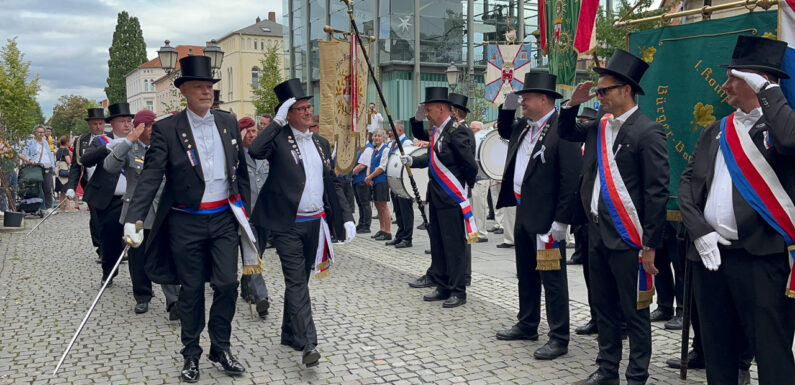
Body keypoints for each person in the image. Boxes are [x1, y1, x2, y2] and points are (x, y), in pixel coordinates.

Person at [123, 56, 252, 382]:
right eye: (199, 87)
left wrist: (247, 215)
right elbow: (151, 177)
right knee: (191, 290)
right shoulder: (167, 129)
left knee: (227, 283)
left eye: (209, 86)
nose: (207, 92)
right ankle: (191, 354)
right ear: (184, 92)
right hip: (186, 221)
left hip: (223, 217)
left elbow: (241, 173)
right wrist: (134, 219)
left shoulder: (227, 122)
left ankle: (220, 347)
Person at [678, 35, 795, 385]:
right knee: (718, 353)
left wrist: (769, 92)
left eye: (734, 78)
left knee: (772, 355)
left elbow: (790, 142)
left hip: (761, 261)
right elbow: (687, 185)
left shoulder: (780, 128)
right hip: (711, 257)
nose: (725, 85)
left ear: (757, 81)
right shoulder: (715, 130)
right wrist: (701, 233)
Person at [562, 49, 669, 385]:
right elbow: (566, 132)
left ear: (626, 90)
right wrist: (572, 104)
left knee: (635, 312)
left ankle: (636, 374)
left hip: (629, 238)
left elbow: (656, 192)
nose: (599, 96)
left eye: (604, 90)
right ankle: (606, 370)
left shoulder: (648, 131)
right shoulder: (598, 125)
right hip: (596, 233)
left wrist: (650, 243)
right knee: (603, 308)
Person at [248, 78, 355, 367]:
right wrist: (277, 123)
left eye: (309, 107)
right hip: (287, 225)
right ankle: (309, 343)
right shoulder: (279, 139)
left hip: (315, 225)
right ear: (288, 113)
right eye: (301, 108)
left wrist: (346, 217)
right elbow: (255, 150)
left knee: (301, 282)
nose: (309, 112)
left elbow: (332, 182)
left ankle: (288, 333)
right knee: (296, 282)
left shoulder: (320, 143)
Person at [493, 72, 581, 360]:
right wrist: (505, 106)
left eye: (526, 99)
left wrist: (561, 222)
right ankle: (528, 323)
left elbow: (570, 179)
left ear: (544, 99)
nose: (522, 104)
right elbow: (504, 131)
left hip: (547, 219)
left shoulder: (563, 129)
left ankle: (559, 337)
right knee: (526, 274)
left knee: (553, 279)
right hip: (524, 211)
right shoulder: (523, 126)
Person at [401, 87, 478, 308]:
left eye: (428, 109)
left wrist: (463, 189)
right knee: (439, 243)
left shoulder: (457, 131)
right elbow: (432, 157)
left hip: (451, 196)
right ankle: (443, 285)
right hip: (436, 196)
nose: (426, 114)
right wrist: (413, 162)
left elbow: (469, 165)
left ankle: (458, 290)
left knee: (454, 245)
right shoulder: (439, 132)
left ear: (441, 108)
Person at [102, 109, 180, 318]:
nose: (156, 131)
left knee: (167, 253)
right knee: (138, 257)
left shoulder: (165, 146)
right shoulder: (130, 148)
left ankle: (173, 300)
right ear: (141, 128)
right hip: (138, 211)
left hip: (164, 209)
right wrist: (128, 140)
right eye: (151, 127)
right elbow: (109, 166)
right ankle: (143, 296)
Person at [81, 102, 135, 286]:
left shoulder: (138, 141)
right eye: (123, 121)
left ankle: (142, 285)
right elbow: (86, 160)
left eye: (129, 121)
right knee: (110, 240)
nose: (127, 125)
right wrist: (109, 148)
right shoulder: (102, 141)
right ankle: (109, 272)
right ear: (112, 123)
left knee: (137, 242)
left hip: (133, 199)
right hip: (110, 199)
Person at [238, 116, 271, 318]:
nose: (252, 135)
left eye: (254, 131)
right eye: (247, 132)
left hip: (264, 214)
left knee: (260, 252)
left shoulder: (264, 153)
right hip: (245, 215)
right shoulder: (235, 156)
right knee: (252, 254)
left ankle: (247, 288)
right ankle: (261, 297)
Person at [66, 108, 107, 264]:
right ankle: (101, 249)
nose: (98, 127)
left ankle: (112, 248)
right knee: (96, 219)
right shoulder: (81, 141)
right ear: (89, 124)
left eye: (101, 123)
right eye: (95, 124)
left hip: (110, 185)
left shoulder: (110, 138)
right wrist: (71, 186)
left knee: (111, 219)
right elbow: (76, 166)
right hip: (91, 184)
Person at [386, 121, 414, 248]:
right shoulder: (393, 143)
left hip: (403, 180)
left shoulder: (406, 143)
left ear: (400, 131)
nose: (389, 132)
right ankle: (400, 234)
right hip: (395, 179)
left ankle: (407, 237)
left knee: (405, 209)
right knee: (398, 209)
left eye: (392, 130)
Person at [19, 124, 56, 214]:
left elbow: (49, 154)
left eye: (42, 132)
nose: (41, 134)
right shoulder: (30, 142)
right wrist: (29, 160)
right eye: (39, 132)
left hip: (47, 167)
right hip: (37, 167)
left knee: (48, 187)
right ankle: (38, 207)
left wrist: (52, 166)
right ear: (35, 133)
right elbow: (23, 153)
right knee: (37, 188)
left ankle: (48, 207)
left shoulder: (46, 142)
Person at [366, 129, 392, 241]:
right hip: (374, 180)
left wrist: (370, 176)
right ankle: (382, 229)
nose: (377, 138)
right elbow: (371, 165)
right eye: (375, 136)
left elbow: (382, 167)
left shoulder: (385, 150)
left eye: (379, 136)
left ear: (383, 138)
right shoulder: (375, 150)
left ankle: (388, 231)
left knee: (383, 205)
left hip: (381, 180)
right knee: (377, 205)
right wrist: (369, 177)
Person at [470, 120, 491, 243]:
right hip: (473, 178)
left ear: (477, 129)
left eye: (472, 129)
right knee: (472, 208)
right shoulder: (475, 139)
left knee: (480, 208)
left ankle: (482, 233)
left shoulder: (483, 139)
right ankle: (473, 233)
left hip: (481, 178)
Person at [352, 141, 374, 234]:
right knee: (360, 203)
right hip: (357, 179)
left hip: (362, 180)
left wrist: (350, 173)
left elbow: (362, 165)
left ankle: (366, 225)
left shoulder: (368, 148)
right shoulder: (360, 148)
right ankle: (361, 223)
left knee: (365, 203)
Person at [54, 136, 75, 211]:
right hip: (65, 171)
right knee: (67, 189)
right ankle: (68, 206)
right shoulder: (66, 150)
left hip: (59, 172)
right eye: (70, 141)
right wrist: (71, 155)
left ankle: (62, 206)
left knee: (61, 191)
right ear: (67, 142)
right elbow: (69, 161)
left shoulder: (58, 150)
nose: (71, 142)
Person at [0, 140, 19, 212]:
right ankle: (3, 209)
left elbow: (14, 153)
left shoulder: (5, 144)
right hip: (3, 171)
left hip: (11, 169)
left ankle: (12, 208)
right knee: (3, 190)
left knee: (13, 189)